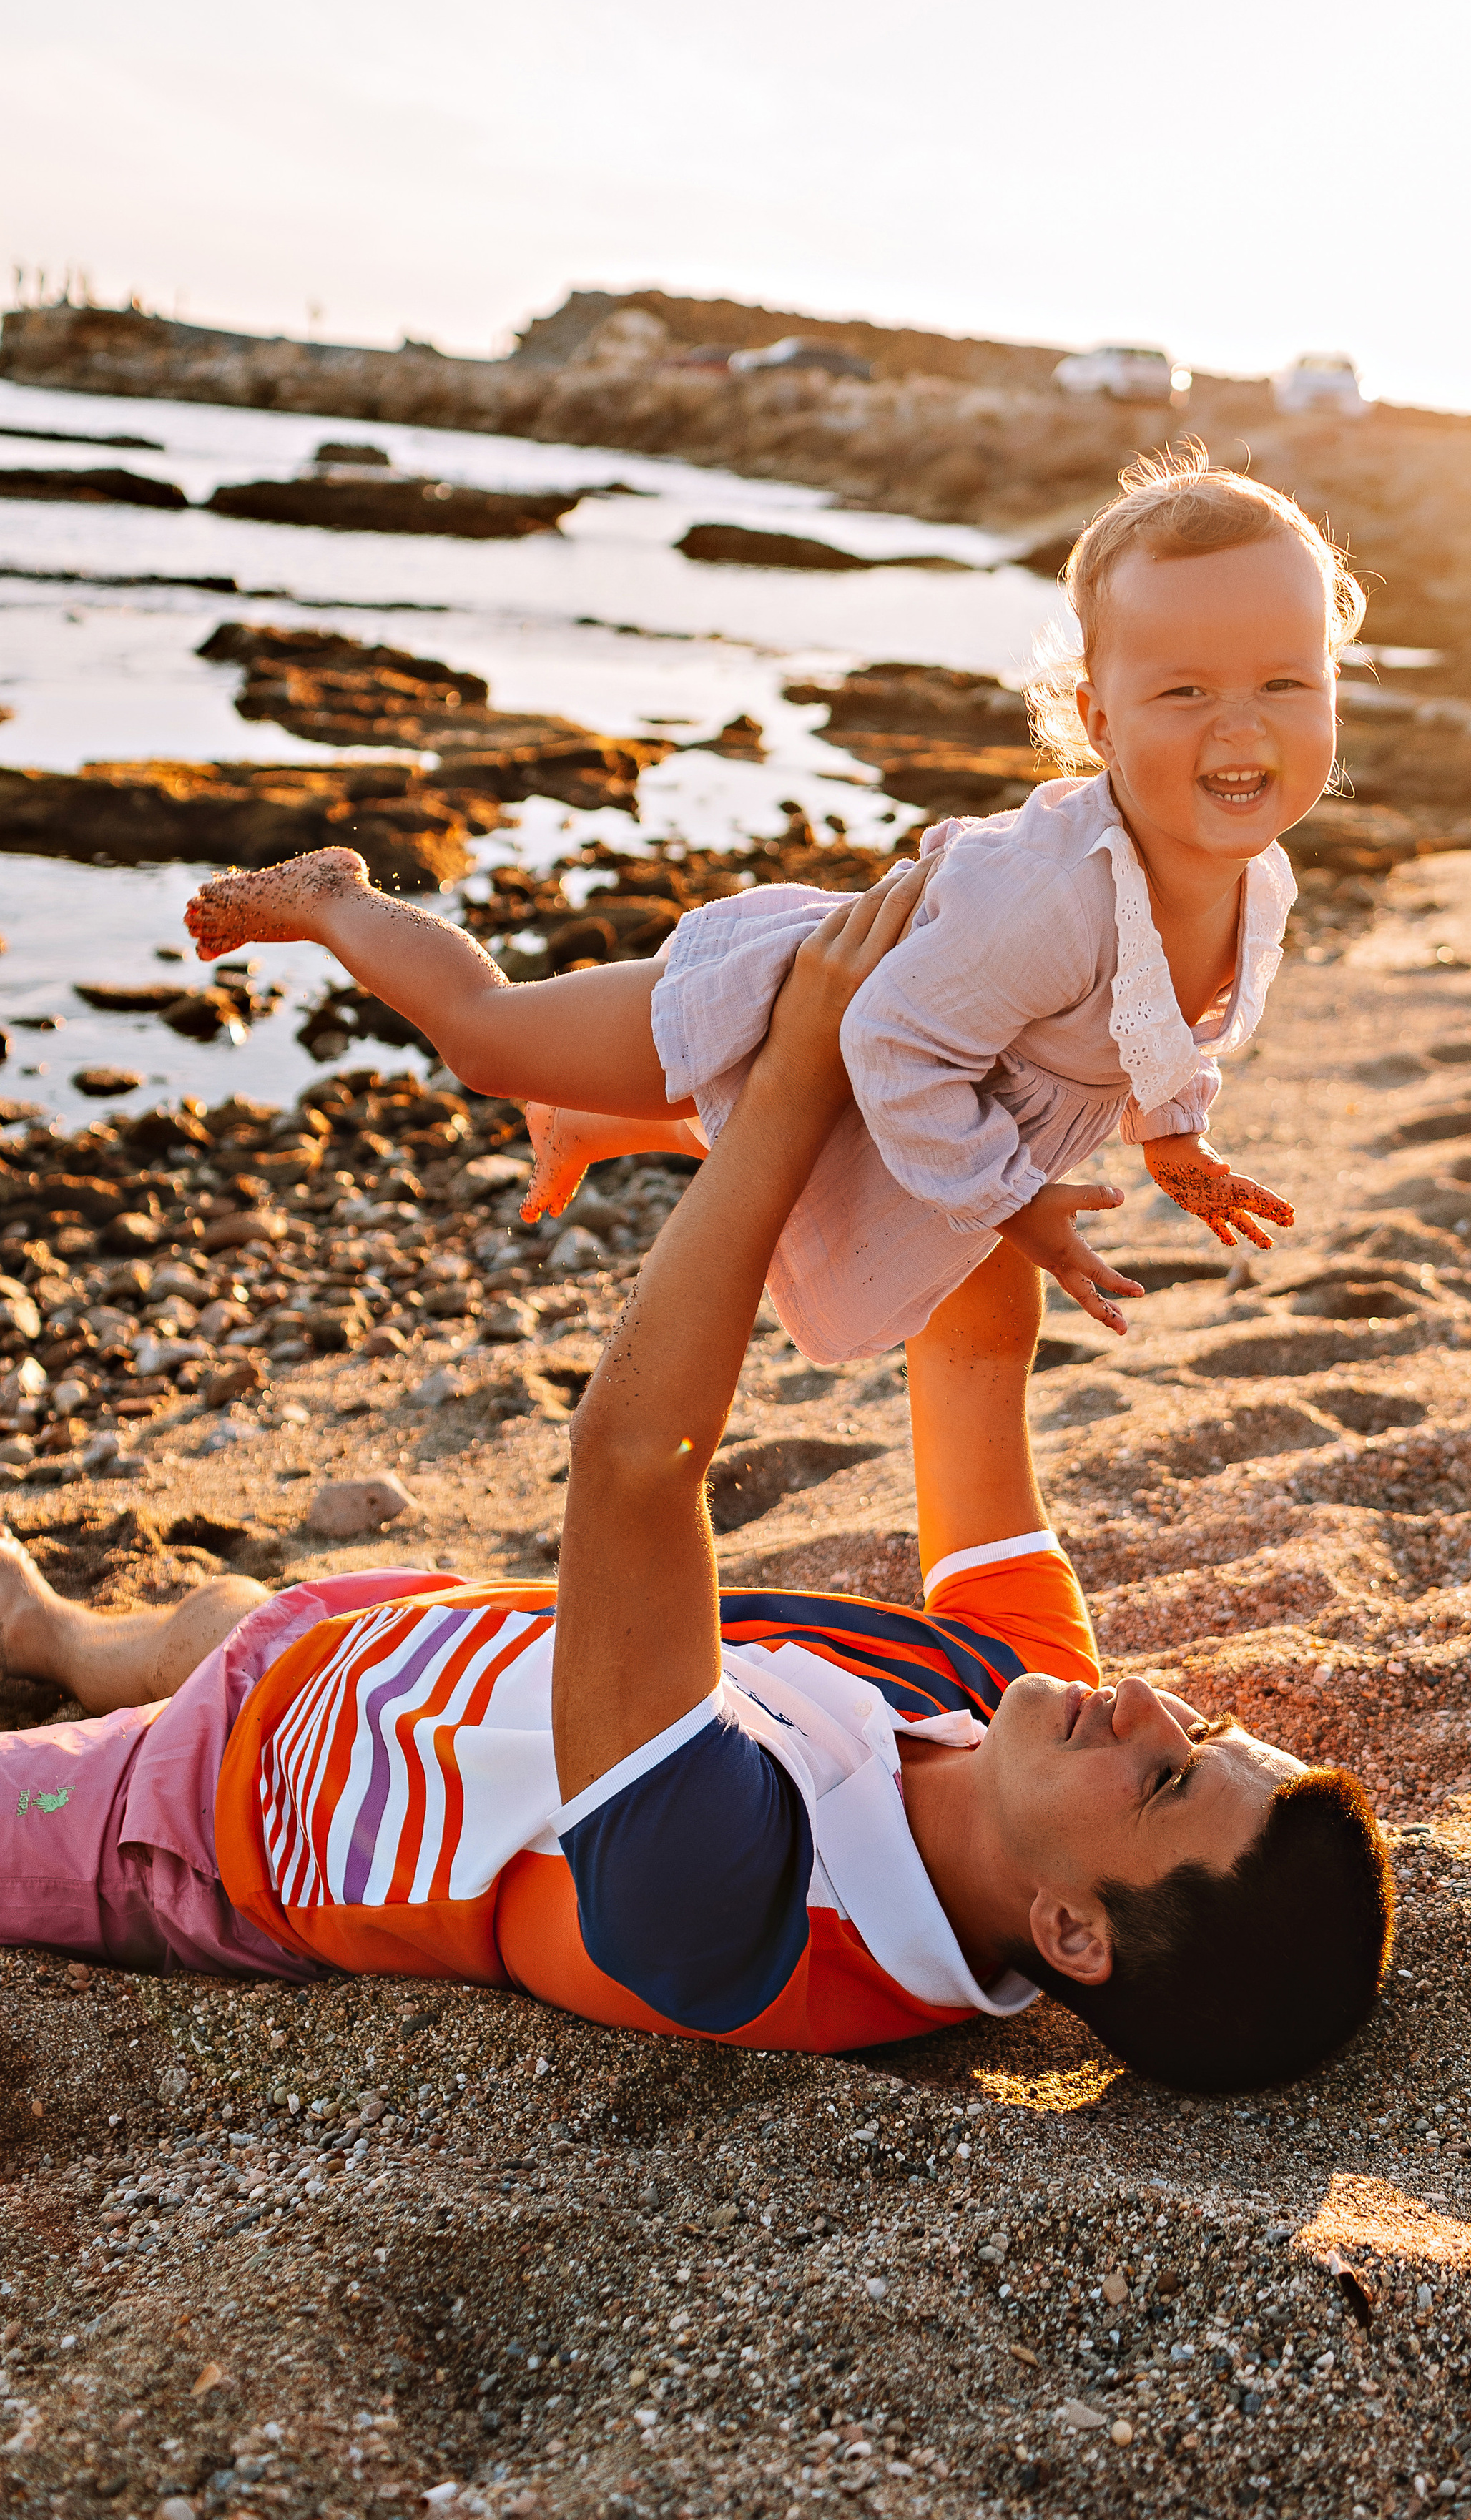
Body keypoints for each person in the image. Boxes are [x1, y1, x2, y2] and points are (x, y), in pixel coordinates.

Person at [0, 870, 1392, 2089]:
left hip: (214, 1819)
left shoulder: (743, 1911)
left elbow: (628, 1469)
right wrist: (963, 1041)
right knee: (201, 1624)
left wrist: (788, 1084)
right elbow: (970, 1353)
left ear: (1071, 1934)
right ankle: (49, 1631)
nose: (1147, 1705)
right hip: (406, 1639)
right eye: (1196, 1732)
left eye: (1162, 1784)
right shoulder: (1004, 1705)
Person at [185, 447, 1361, 1365]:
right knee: (493, 1043)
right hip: (807, 1003)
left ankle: (597, 1123)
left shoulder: (1258, 875)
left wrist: (1178, 1136)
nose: (1242, 725)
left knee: (802, 1164)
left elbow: (1156, 1023)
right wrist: (1018, 1206)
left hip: (918, 1077)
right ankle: (339, 900)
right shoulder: (1050, 903)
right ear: (1099, 721)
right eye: (1185, 690)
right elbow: (886, 1040)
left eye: (1285, 681)